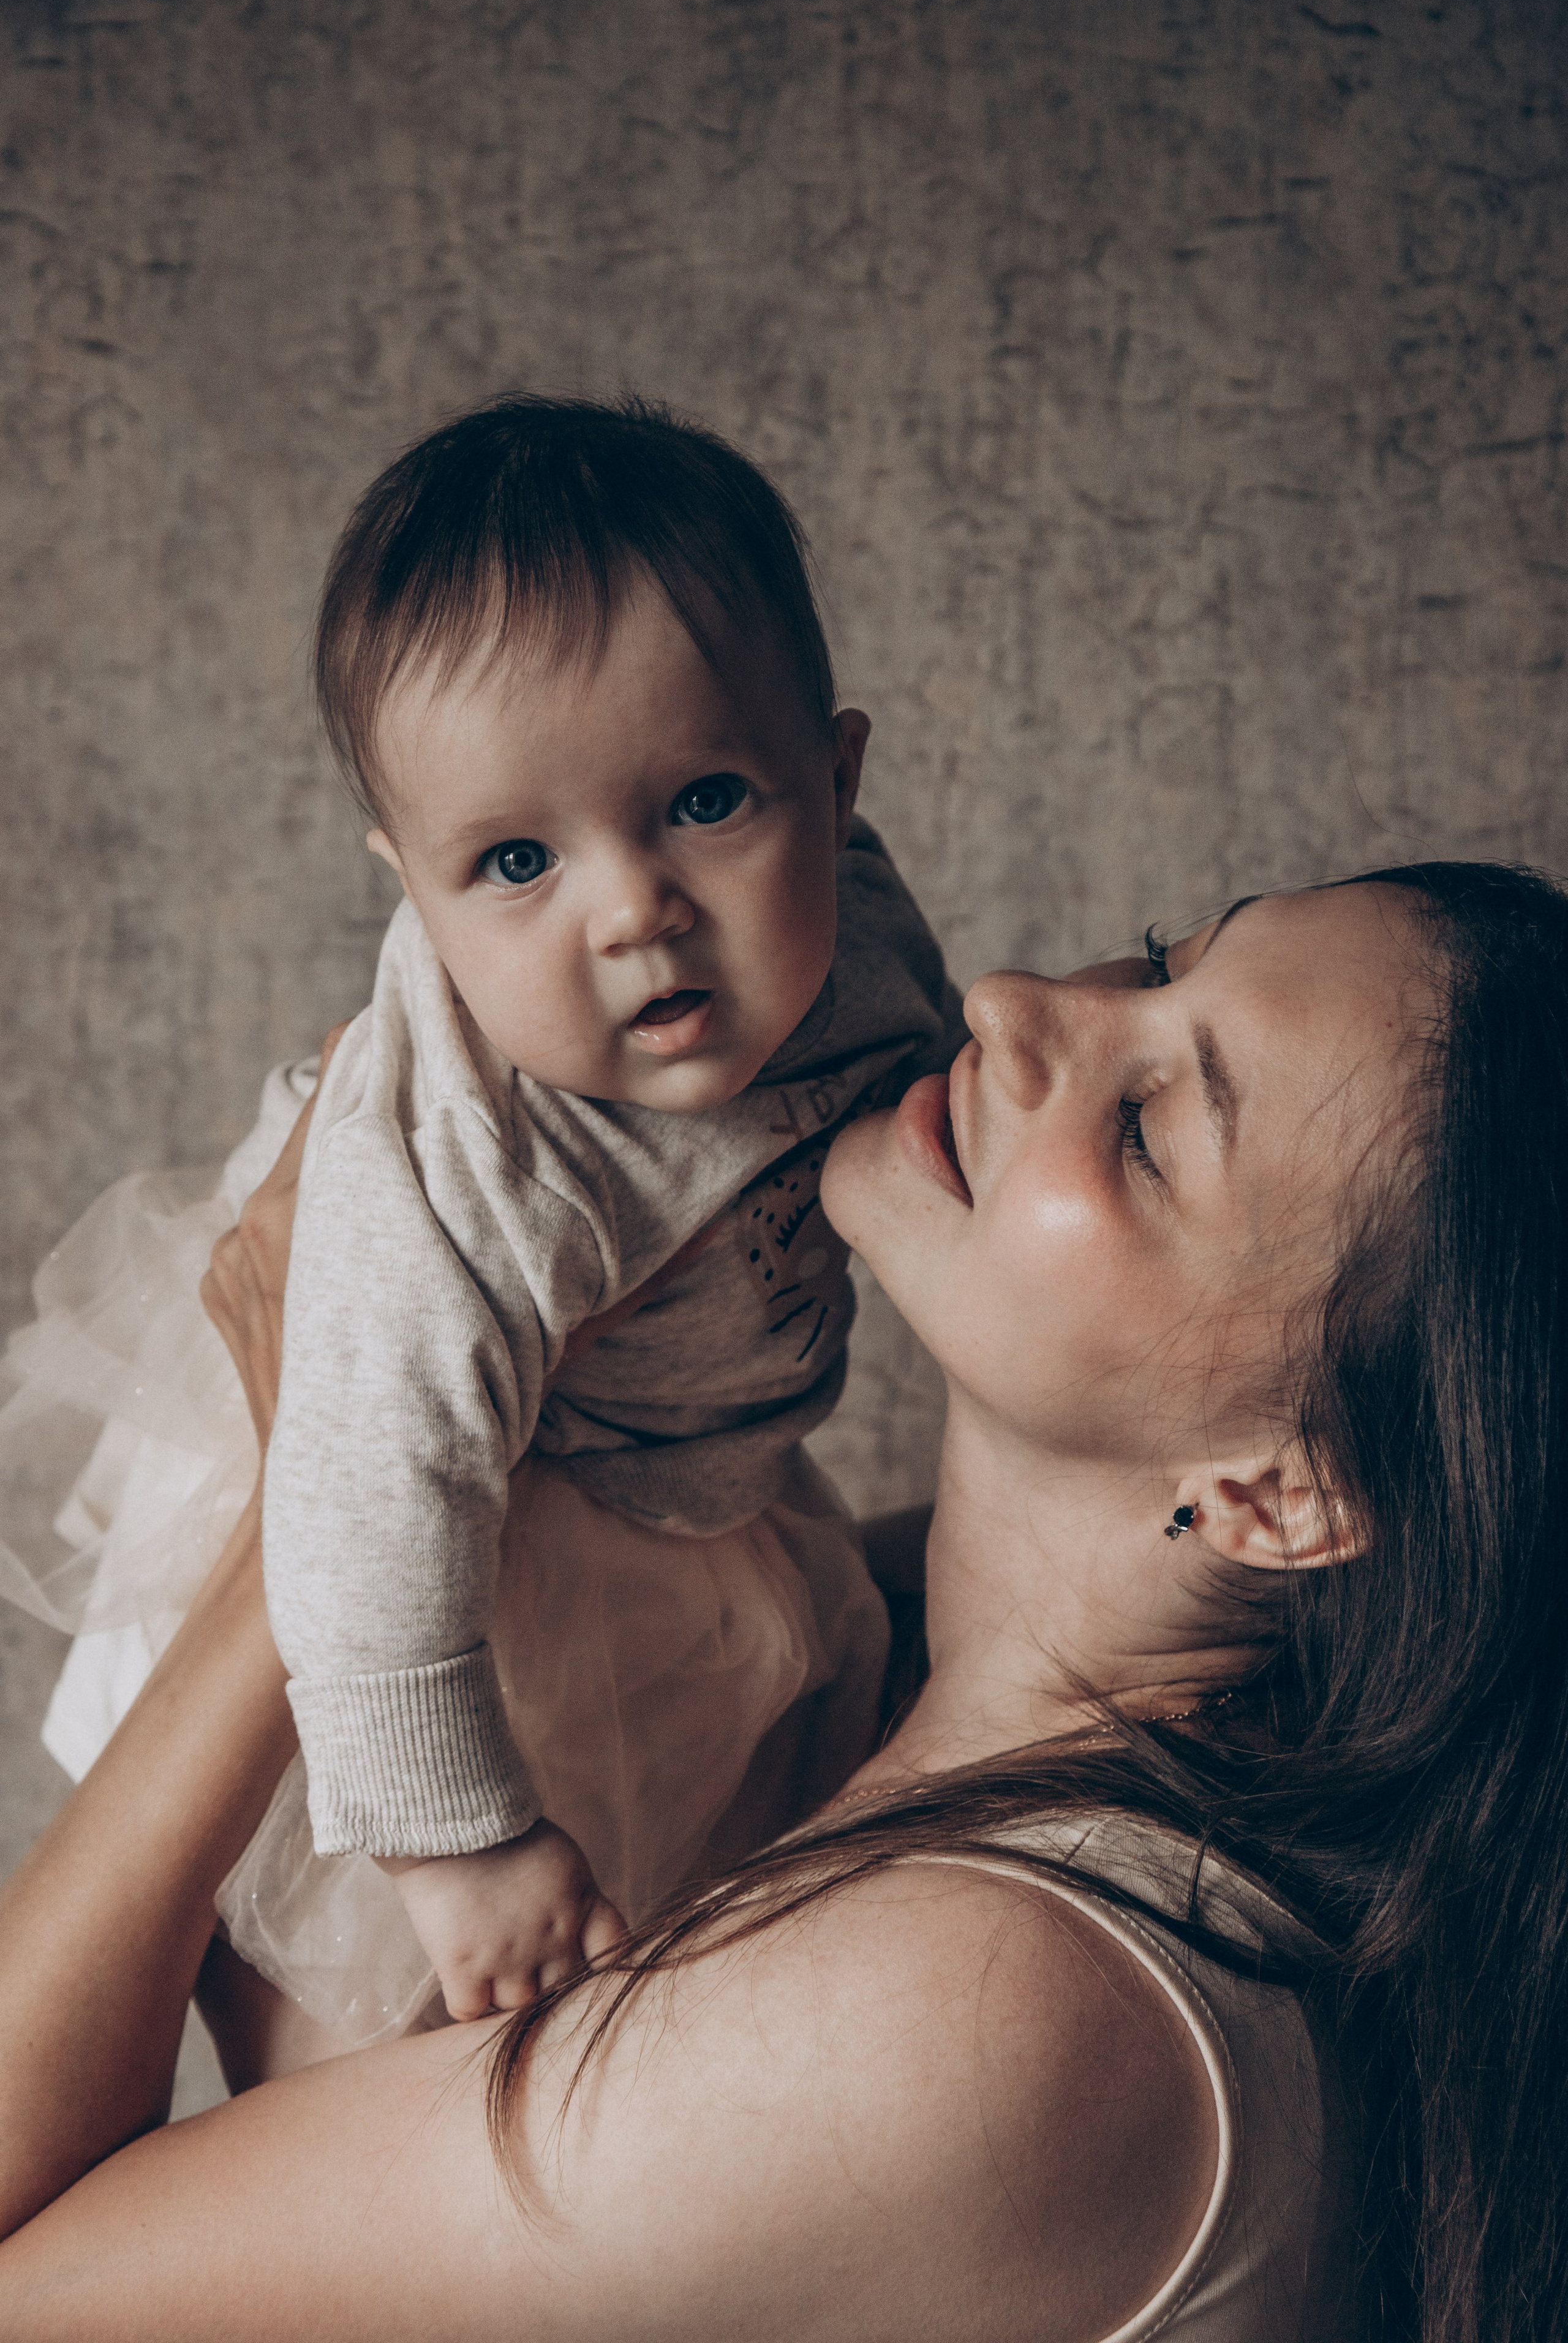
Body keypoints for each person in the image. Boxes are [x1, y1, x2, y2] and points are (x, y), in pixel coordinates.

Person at [2, 859, 1566, 2341]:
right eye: (1160, 959)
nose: (1021, 1000)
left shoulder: (990, 2014)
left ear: (1278, 1492)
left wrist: (332, 1503)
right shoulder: (834, 1648)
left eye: (1153, 1124)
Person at [0, 396, 964, 2043]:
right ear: (415, 890)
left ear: (838, 775)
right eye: (517, 857)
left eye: (710, 802)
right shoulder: (478, 1163)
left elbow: (950, 1077)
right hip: (391, 1535)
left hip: (659, 1469)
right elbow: (370, 1529)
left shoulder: (856, 935)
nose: (633, 907)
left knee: (707, 1879)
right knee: (385, 2008)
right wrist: (465, 1842)